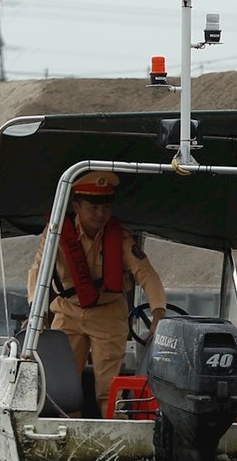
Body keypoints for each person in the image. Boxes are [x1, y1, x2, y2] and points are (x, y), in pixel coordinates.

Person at [27, 170, 168, 416]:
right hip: (68, 312)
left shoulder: (120, 238)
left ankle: (115, 434)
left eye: (106, 207)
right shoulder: (56, 234)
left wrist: (159, 313)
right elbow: (38, 271)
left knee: (109, 388)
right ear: (76, 206)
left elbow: (146, 274)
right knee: (62, 384)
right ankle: (67, 431)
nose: (101, 214)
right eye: (93, 207)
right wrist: (35, 312)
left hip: (109, 315)